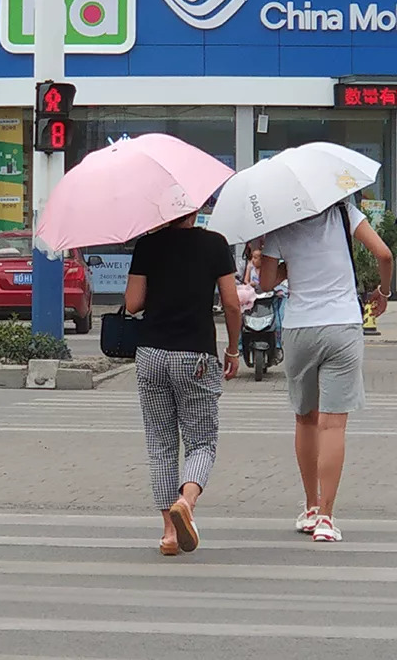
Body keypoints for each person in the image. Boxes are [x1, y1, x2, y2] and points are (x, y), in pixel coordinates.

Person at [260, 201, 393, 543]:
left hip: (299, 327)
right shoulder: (345, 212)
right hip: (342, 325)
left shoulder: (280, 223)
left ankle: (309, 507)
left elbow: (265, 283)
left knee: (305, 418)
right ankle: (326, 518)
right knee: (332, 424)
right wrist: (384, 291)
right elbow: (385, 255)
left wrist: (281, 263)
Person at [124, 212, 241, 556]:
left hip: (151, 354)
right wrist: (233, 349)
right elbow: (232, 304)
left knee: (160, 444)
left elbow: (132, 304)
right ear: (193, 210)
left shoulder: (147, 245)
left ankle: (169, 534)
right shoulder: (215, 244)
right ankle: (186, 502)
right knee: (201, 442)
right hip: (196, 357)